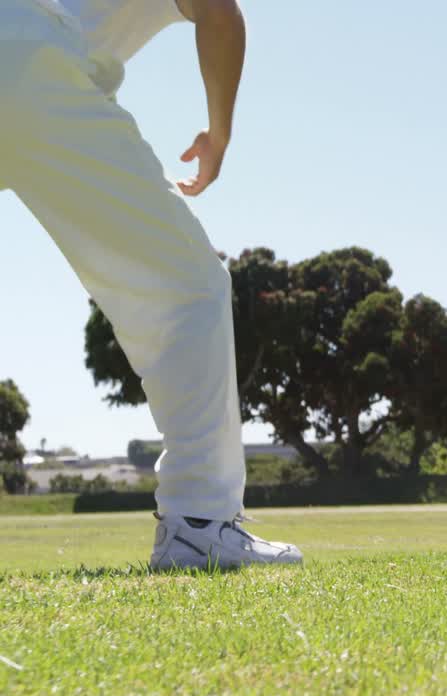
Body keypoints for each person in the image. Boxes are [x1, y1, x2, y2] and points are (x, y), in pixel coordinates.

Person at [1, 0, 301, 569]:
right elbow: (219, 12)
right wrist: (219, 134)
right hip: (26, 62)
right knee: (188, 288)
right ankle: (198, 522)